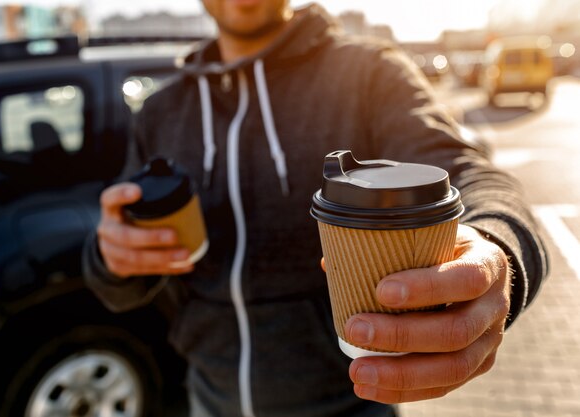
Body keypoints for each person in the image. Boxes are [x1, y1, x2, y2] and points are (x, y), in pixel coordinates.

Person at [83, 2, 549, 416]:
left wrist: (495, 247)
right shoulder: (161, 111)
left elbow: (472, 174)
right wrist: (109, 258)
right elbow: (124, 280)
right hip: (208, 395)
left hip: (352, 398)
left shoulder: (367, 74)